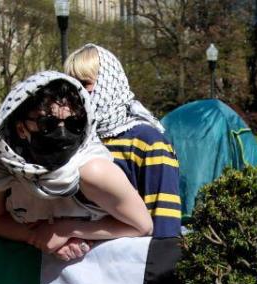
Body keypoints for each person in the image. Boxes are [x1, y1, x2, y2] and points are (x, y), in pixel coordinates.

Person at [0, 71, 151, 261]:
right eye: (48, 124)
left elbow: (142, 225)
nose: (63, 134)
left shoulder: (93, 171)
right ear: (21, 128)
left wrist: (67, 230)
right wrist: (36, 236)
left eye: (75, 123)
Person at [64, 44, 182, 238]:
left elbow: (165, 227)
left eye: (84, 84)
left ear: (109, 82)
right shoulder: (71, 141)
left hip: (131, 263)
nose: (76, 94)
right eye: (70, 86)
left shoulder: (147, 142)